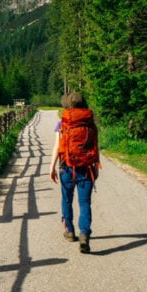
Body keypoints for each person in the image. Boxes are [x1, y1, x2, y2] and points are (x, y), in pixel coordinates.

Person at [49, 92, 100, 253]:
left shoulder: (62, 123)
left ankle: (69, 231)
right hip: (86, 169)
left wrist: (52, 167)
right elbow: (95, 146)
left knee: (67, 199)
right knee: (84, 203)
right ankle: (84, 234)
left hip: (67, 167)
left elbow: (57, 147)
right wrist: (95, 168)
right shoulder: (90, 123)